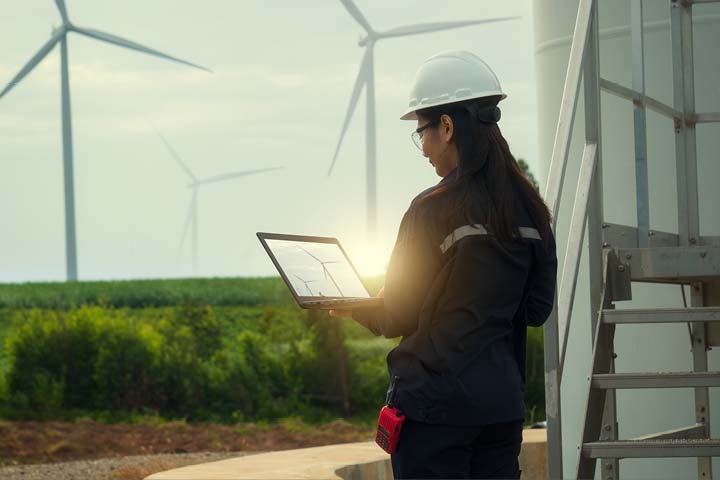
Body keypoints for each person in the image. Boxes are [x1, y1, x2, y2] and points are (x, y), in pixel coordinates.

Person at [330, 50, 557, 480]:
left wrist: (355, 304)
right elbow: (535, 310)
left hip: (434, 410)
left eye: (423, 133)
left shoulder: (431, 210)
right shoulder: (532, 211)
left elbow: (398, 313)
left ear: (448, 127)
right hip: (501, 410)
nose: (424, 150)